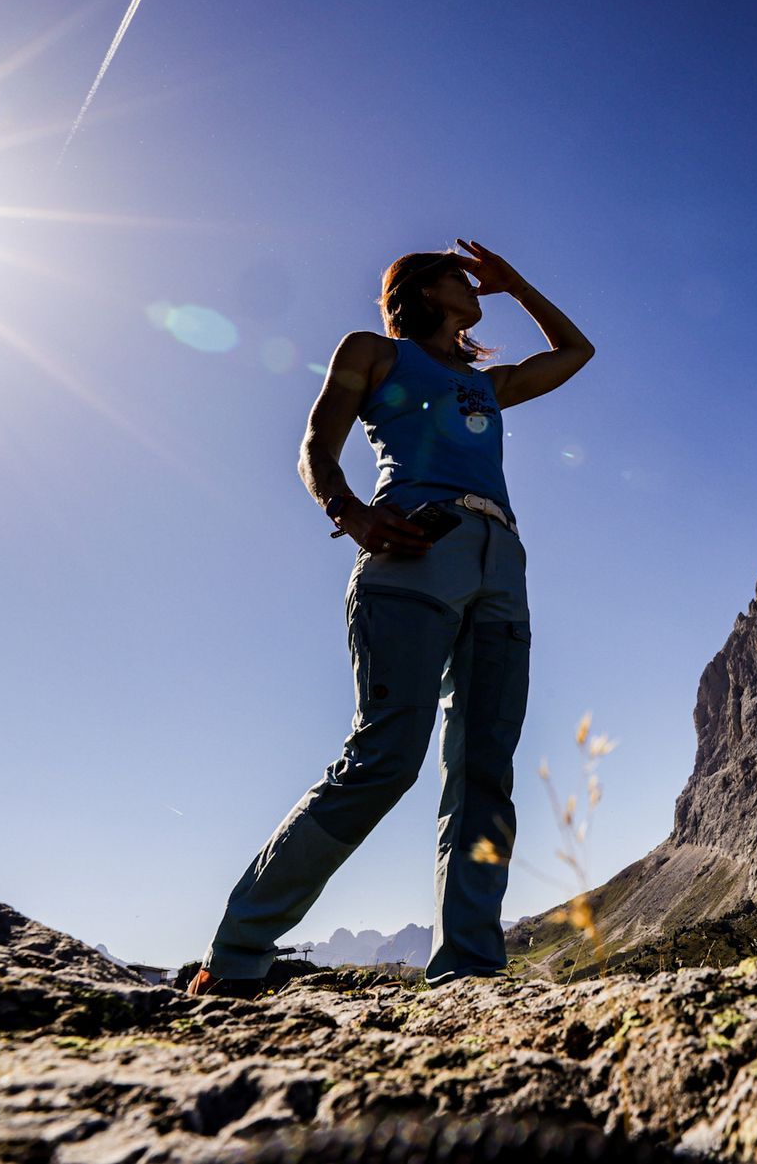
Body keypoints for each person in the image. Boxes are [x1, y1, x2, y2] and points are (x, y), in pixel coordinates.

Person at [185, 237, 594, 996]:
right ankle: (238, 952)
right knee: (386, 758)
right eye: (459, 274)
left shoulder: (484, 385)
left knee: (484, 774)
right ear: (421, 288)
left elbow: (576, 351)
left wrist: (520, 282)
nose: (473, 284)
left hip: (501, 563)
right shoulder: (373, 351)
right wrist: (350, 512)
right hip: (412, 547)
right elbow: (315, 445)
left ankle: (468, 968)